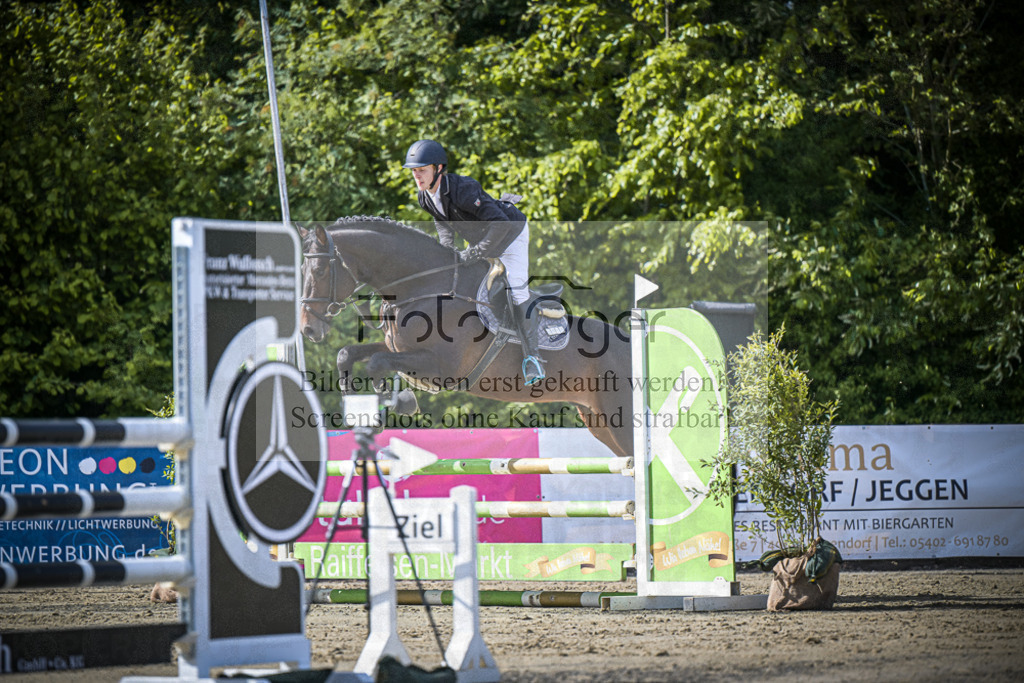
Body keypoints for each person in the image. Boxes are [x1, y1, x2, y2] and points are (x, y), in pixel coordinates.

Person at [402, 139, 545, 386]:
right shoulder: (424, 197)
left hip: (510, 235)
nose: (417, 176)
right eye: (414, 171)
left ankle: (533, 358)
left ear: (438, 168)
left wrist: (475, 253)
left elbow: (500, 224)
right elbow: (442, 223)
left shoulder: (464, 189)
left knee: (517, 289)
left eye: (422, 170)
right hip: (482, 239)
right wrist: (447, 253)